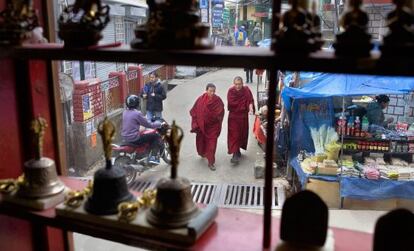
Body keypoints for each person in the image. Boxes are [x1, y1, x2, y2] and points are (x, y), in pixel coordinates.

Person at [190, 83, 225, 170]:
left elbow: (221, 112)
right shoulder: (201, 99)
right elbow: (194, 111)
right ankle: (202, 153)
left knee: (212, 145)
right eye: (210, 91)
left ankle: (211, 162)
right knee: (201, 142)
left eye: (214, 91)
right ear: (206, 90)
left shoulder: (217, 100)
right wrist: (196, 123)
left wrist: (214, 119)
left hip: (213, 127)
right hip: (202, 126)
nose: (212, 93)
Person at [121, 95, 163, 164]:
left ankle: (143, 153)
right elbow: (148, 124)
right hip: (134, 138)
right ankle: (153, 157)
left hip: (125, 137)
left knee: (144, 134)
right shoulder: (137, 113)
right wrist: (159, 124)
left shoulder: (125, 112)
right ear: (137, 103)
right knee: (155, 136)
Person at [227, 76, 255, 164]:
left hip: (243, 117)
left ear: (242, 84)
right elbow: (231, 103)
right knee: (234, 134)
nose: (238, 86)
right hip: (233, 117)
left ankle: (237, 150)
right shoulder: (231, 91)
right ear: (233, 84)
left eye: (239, 84)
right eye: (236, 84)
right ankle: (235, 155)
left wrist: (250, 108)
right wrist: (243, 105)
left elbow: (250, 100)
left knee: (241, 134)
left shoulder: (246, 90)